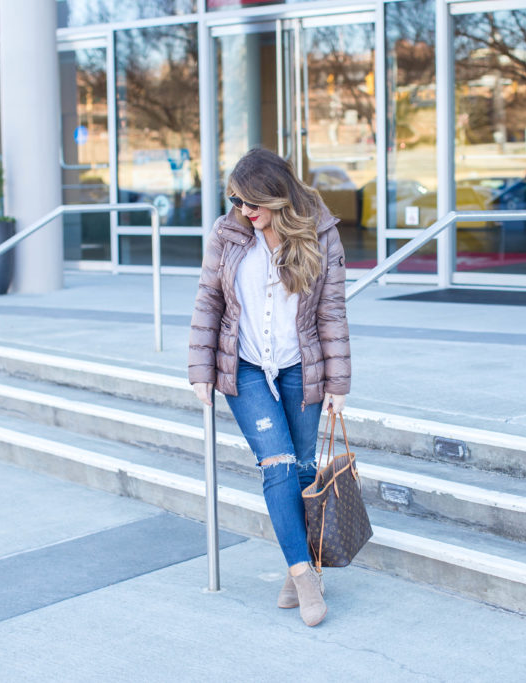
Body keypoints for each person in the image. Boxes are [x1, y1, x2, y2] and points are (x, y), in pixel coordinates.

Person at [188, 148, 351, 627]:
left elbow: (332, 311)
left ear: (275, 193)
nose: (243, 210)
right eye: (235, 200)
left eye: (251, 200)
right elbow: (208, 300)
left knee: (302, 470)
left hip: (302, 363)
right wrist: (200, 370)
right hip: (246, 367)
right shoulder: (229, 233)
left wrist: (338, 379)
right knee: (277, 465)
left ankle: (297, 565)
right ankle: (304, 577)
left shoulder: (320, 232)